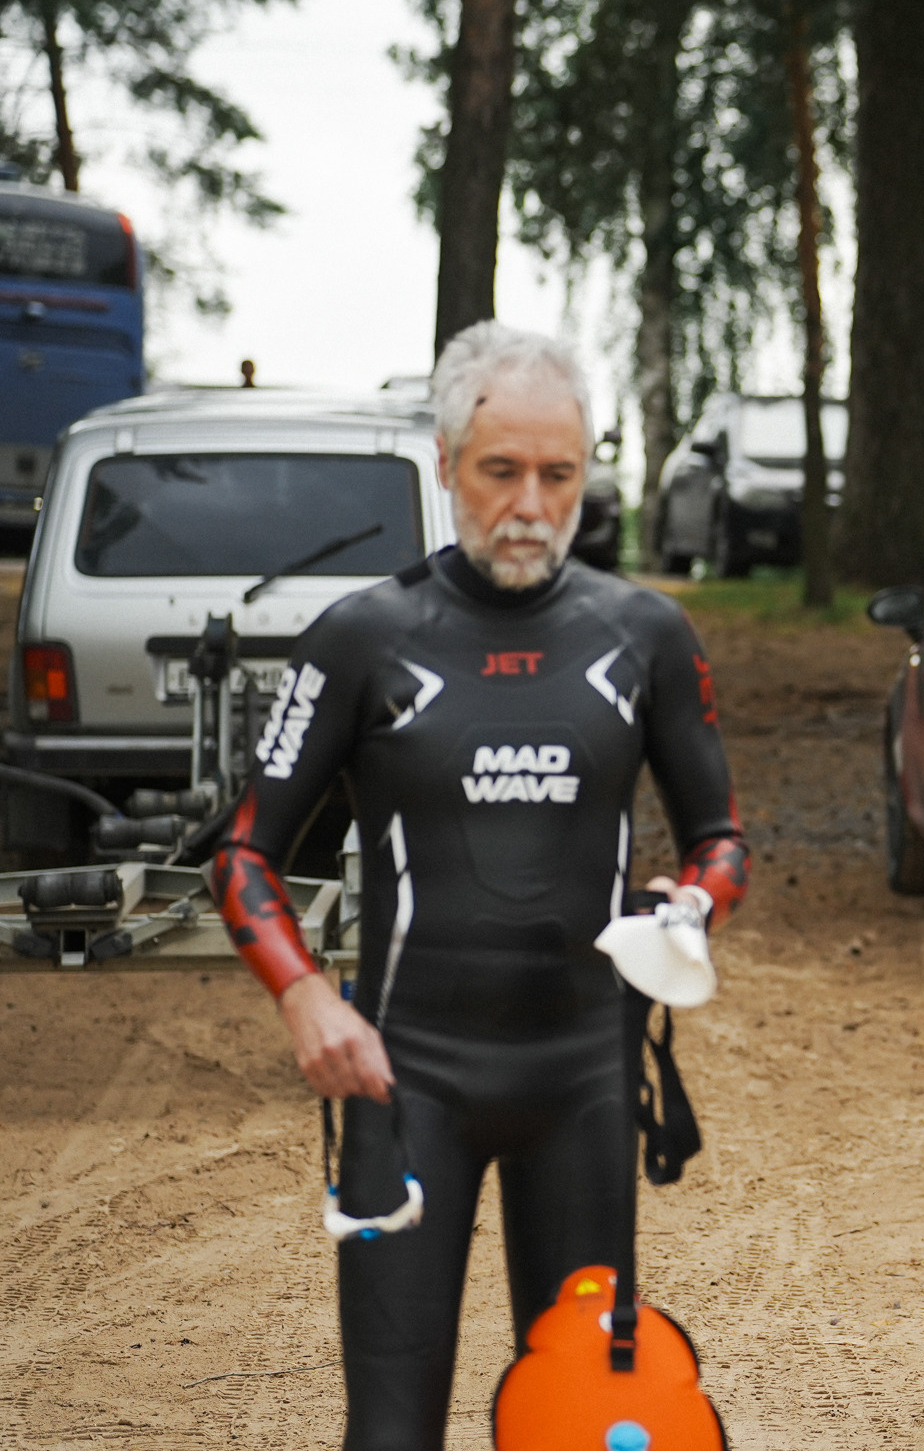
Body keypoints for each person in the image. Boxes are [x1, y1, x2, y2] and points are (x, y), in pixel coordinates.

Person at [208, 323, 749, 1450]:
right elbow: (244, 853)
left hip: (585, 1079)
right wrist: (306, 993)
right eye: (501, 470)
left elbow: (721, 839)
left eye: (559, 474)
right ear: (447, 460)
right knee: (393, 1428)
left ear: (588, 471)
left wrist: (693, 908)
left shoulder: (642, 632)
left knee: (577, 1425)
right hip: (409, 1081)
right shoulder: (365, 636)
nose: (531, 503)